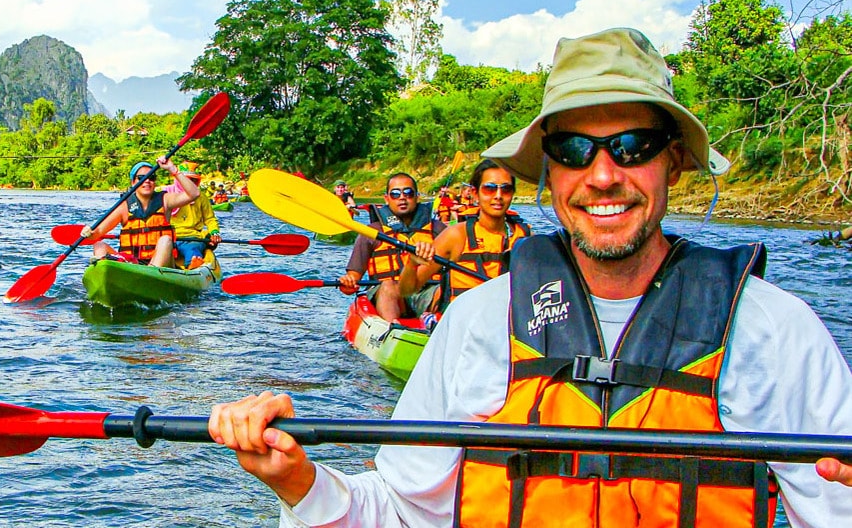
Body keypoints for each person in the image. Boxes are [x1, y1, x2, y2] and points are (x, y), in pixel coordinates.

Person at [208, 27, 852, 525]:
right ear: (549, 172)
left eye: (633, 146)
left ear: (675, 162)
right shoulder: (478, 320)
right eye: (574, 150)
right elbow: (399, 512)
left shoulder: (775, 331)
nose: (603, 175)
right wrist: (298, 480)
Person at [401, 160, 532, 312]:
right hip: (464, 325)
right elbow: (407, 290)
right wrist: (411, 264)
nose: (498, 196)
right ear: (475, 193)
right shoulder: (456, 236)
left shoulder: (524, 236)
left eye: (506, 189)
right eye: (489, 189)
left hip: (507, 323)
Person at [337, 173, 446, 322]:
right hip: (388, 294)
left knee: (444, 290)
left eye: (408, 192)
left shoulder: (439, 230)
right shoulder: (371, 233)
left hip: (427, 290)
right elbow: (353, 279)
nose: (402, 197)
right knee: (388, 286)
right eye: (395, 194)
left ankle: (437, 324)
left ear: (417, 197)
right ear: (386, 198)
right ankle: (392, 331)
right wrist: (347, 284)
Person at [81, 158, 199, 268]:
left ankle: (150, 275)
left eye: (151, 177)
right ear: (133, 182)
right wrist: (89, 232)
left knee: (166, 240)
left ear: (155, 182)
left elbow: (194, 194)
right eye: (141, 178)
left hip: (161, 265)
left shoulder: (165, 200)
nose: (147, 181)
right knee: (99, 245)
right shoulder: (123, 206)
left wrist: (173, 169)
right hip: (132, 264)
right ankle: (104, 278)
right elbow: (98, 233)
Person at [164, 164, 221, 269]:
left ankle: (193, 265)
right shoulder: (165, 194)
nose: (191, 184)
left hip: (193, 237)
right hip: (168, 237)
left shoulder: (201, 197)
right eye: (188, 180)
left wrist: (214, 232)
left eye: (194, 180)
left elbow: (210, 219)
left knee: (191, 249)